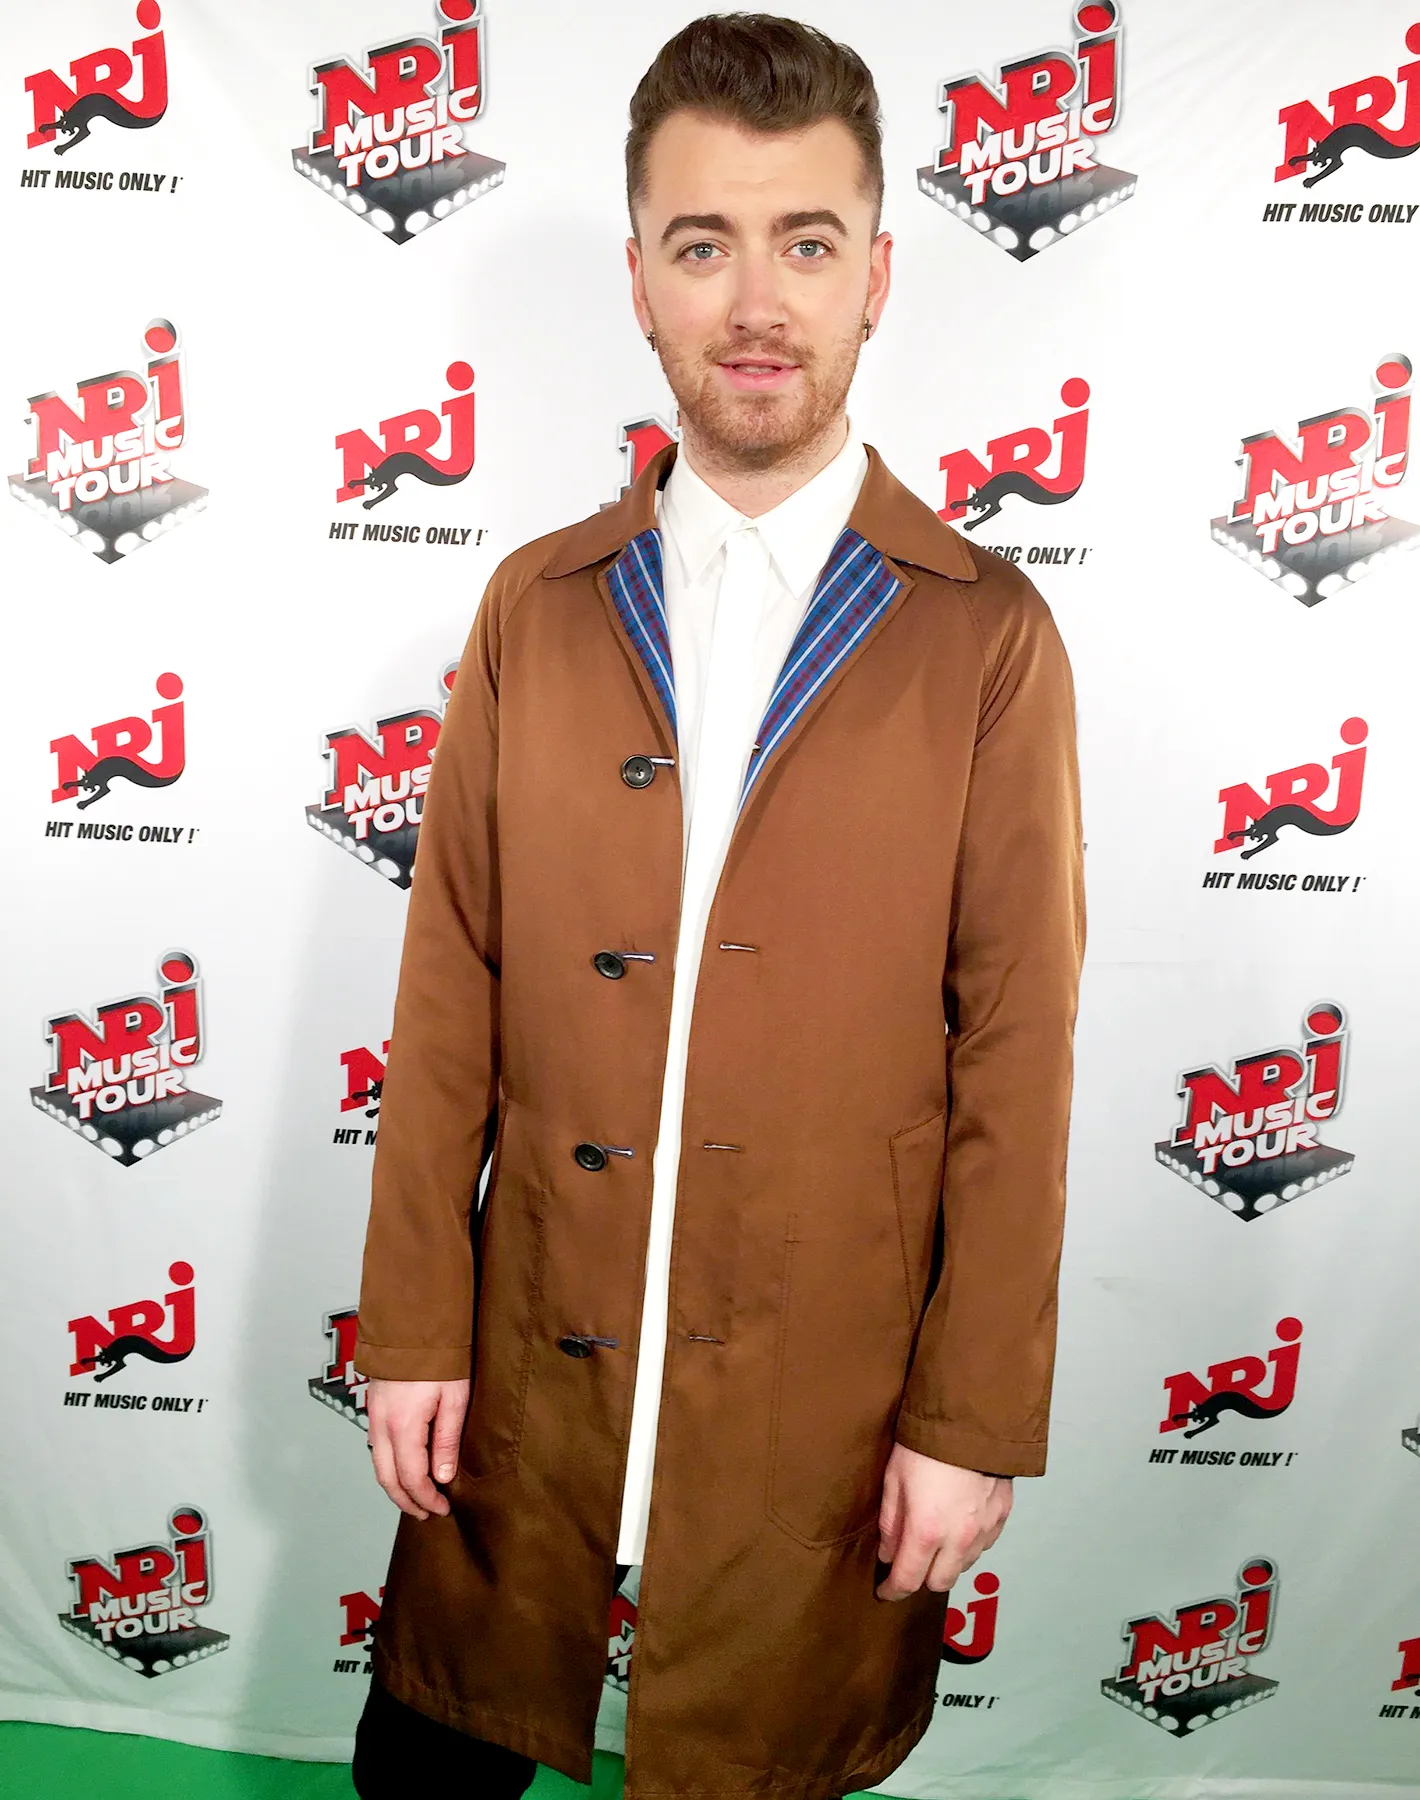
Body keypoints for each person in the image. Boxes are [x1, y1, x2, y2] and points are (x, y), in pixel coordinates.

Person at [349, 15, 1084, 1800]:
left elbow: (1019, 1059)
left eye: (805, 242)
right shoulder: (537, 607)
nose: (757, 303)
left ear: (876, 276)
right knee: (428, 1769)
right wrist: (415, 1330)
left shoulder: (987, 637)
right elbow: (446, 993)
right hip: (530, 1365)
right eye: (703, 244)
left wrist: (969, 1422)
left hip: (819, 1396)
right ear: (639, 281)